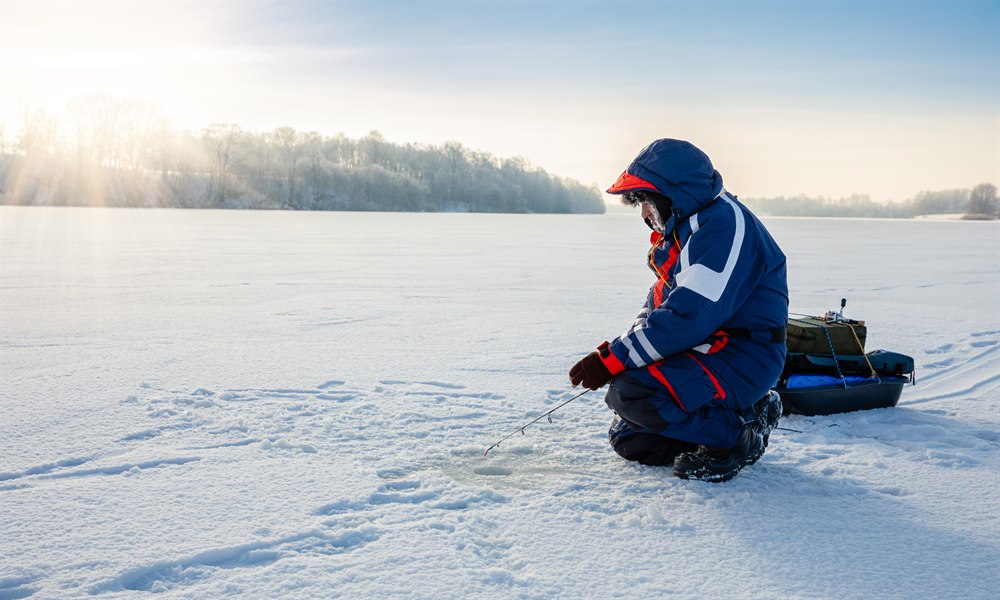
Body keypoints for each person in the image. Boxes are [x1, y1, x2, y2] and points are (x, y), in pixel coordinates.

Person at [569, 139, 788, 482]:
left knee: (632, 392)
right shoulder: (688, 229)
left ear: (673, 195)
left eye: (645, 201)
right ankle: (746, 412)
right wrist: (622, 354)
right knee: (632, 440)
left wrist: (613, 360)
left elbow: (687, 317)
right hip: (705, 348)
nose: (643, 214)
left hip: (742, 354)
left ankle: (735, 435)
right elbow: (659, 306)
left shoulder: (723, 227)